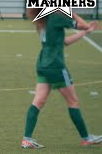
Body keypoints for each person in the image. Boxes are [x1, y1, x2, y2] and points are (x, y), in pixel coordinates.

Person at [22, 8, 102, 149]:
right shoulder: (57, 17)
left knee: (38, 101)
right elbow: (84, 24)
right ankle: (86, 138)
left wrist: (85, 33)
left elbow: (64, 41)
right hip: (56, 66)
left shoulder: (43, 21)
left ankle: (27, 139)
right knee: (73, 101)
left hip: (42, 64)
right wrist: (72, 13)